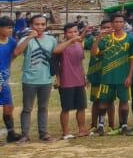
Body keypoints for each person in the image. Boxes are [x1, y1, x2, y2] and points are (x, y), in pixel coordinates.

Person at [14, 14, 57, 142]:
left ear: (46, 25)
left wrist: (57, 77)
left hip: (46, 79)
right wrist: (29, 38)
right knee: (27, 108)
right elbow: (16, 52)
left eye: (43, 24)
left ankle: (43, 133)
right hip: (29, 80)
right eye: (37, 24)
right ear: (31, 25)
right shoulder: (25, 39)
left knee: (43, 107)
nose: (40, 27)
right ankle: (25, 135)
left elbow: (55, 60)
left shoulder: (51, 40)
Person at [91, 15, 133, 136]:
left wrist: (130, 76)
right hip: (107, 76)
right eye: (116, 21)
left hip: (123, 76)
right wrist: (98, 38)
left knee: (124, 101)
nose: (118, 24)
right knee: (103, 102)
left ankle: (124, 126)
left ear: (124, 23)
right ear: (112, 23)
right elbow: (94, 53)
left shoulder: (130, 38)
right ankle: (101, 127)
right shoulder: (106, 38)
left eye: (121, 21)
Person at [53, 23, 89, 139]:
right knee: (66, 108)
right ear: (65, 34)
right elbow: (56, 51)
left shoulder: (79, 45)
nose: (73, 34)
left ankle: (82, 130)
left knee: (81, 107)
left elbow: (80, 63)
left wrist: (84, 77)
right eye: (70, 32)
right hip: (66, 81)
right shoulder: (62, 46)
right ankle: (65, 132)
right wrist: (57, 79)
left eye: (75, 31)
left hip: (79, 81)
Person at [0, 17, 16, 142]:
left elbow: (13, 55)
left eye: (12, 28)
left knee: (9, 107)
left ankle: (11, 134)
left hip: (4, 80)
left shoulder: (12, 42)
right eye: (8, 28)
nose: (11, 30)